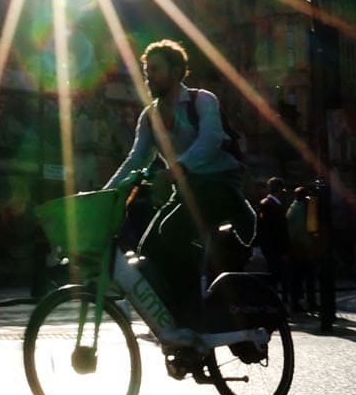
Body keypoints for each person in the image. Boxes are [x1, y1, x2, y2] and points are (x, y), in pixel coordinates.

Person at [104, 39, 254, 329]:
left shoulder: (203, 100)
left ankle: (196, 305)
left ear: (176, 72)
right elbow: (136, 159)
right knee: (148, 250)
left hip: (221, 185)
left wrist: (177, 168)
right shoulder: (150, 117)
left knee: (171, 231)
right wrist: (107, 194)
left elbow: (211, 140)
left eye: (155, 69)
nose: (148, 75)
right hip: (187, 190)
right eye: (147, 70)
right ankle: (177, 318)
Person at [254, 176, 291, 303]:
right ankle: (274, 301)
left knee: (275, 274)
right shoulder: (272, 206)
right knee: (277, 274)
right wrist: (285, 250)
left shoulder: (265, 203)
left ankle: (275, 300)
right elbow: (279, 230)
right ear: (280, 190)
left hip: (270, 246)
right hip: (276, 247)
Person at [286, 185, 319, 312]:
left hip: (294, 248)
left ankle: (296, 303)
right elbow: (301, 231)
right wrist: (309, 245)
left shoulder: (292, 207)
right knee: (309, 277)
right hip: (302, 249)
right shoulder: (302, 210)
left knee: (297, 278)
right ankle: (310, 303)